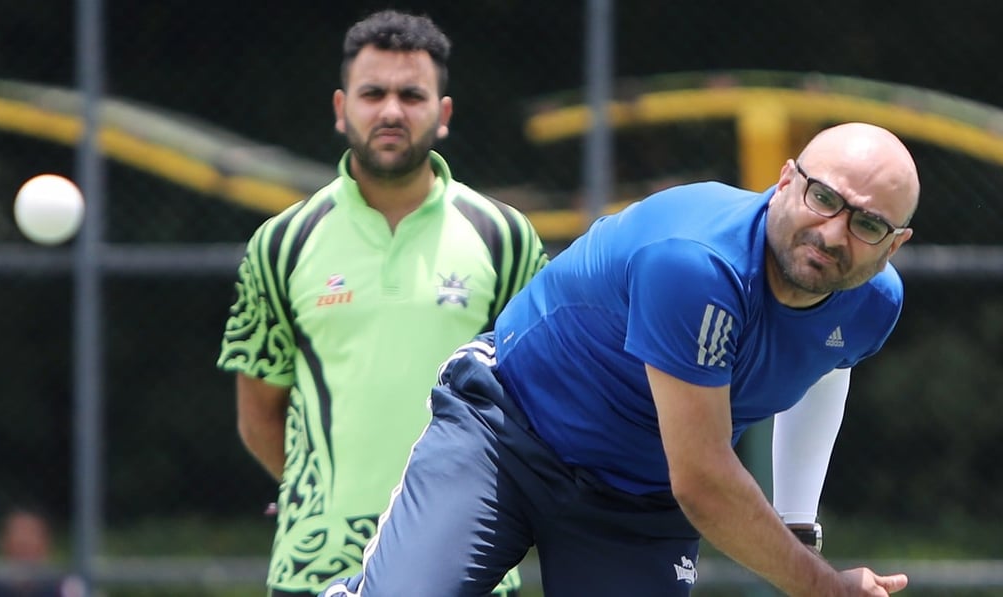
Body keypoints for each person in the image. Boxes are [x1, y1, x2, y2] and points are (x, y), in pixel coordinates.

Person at [323, 122, 921, 596]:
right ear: (786, 180)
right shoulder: (694, 263)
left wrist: (797, 525)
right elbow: (705, 482)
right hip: (506, 435)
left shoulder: (872, 301)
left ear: (895, 245)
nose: (834, 233)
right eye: (824, 197)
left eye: (867, 223)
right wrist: (823, 589)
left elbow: (823, 362)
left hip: (641, 502)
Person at [216, 9, 547, 597]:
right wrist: (311, 497)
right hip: (314, 568)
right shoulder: (282, 241)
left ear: (442, 115)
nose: (392, 110)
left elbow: (540, 398)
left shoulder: (505, 236)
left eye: (411, 95)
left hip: (469, 564)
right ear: (342, 109)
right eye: (373, 94)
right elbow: (258, 411)